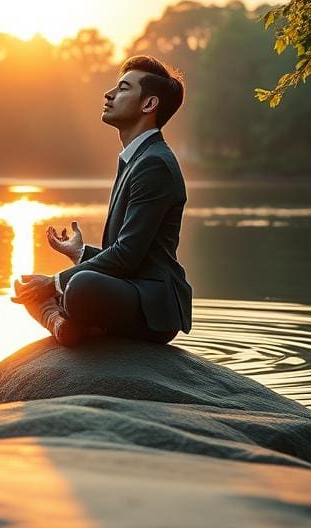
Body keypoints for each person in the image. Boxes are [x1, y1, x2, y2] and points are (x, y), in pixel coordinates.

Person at [11, 55, 193, 347]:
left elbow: (128, 256)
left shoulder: (155, 163)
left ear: (149, 104)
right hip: (129, 289)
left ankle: (63, 320)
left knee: (79, 286)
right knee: (27, 283)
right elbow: (127, 256)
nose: (108, 94)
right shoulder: (138, 159)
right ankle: (63, 325)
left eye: (123, 88)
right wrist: (80, 253)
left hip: (152, 307)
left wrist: (55, 283)